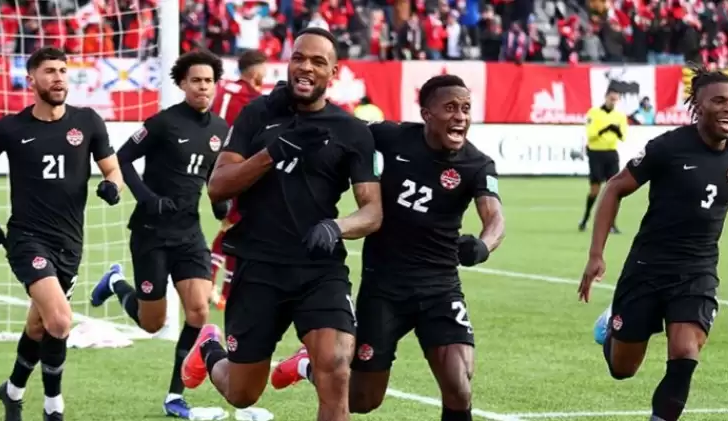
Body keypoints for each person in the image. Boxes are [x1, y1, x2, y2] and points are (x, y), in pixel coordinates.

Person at [271, 74, 506, 421]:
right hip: (384, 289)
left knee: (458, 385)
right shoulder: (390, 137)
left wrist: (483, 246)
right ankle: (306, 365)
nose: (460, 117)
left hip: (440, 288)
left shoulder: (477, 163)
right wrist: (295, 101)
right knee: (363, 400)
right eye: (451, 108)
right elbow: (341, 125)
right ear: (426, 114)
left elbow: (495, 218)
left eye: (466, 109)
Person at [181, 27, 383, 421]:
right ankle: (209, 347)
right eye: (299, 58)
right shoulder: (258, 114)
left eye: (318, 62)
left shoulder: (351, 130)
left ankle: (305, 362)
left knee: (336, 368)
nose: (306, 67)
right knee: (242, 394)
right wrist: (271, 153)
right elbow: (217, 187)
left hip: (319, 269)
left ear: (333, 72)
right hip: (258, 268)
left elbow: (372, 210)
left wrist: (336, 227)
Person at [578, 66, 728, 421]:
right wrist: (596, 255)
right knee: (623, 368)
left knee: (685, 353)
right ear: (697, 106)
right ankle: (612, 325)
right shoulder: (669, 147)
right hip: (647, 268)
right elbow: (615, 187)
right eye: (719, 101)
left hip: (697, 273)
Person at [89, 51, 229, 419]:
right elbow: (121, 158)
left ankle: (174, 397)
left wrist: (220, 205)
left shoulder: (220, 129)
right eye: (196, 80)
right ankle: (116, 282)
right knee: (152, 323)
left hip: (189, 235)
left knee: (198, 310)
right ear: (182, 84)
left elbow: (213, 174)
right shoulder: (164, 123)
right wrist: (148, 199)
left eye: (208, 81)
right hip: (151, 234)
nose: (203, 87)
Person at [0, 46, 123, 421]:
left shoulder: (88, 122)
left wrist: (112, 186)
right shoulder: (10, 128)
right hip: (27, 240)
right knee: (61, 321)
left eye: (63, 71)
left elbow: (113, 170)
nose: (58, 78)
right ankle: (54, 407)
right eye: (49, 71)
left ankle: (12, 392)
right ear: (31, 80)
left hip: (70, 243)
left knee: (39, 325)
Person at [208, 49, 267, 310]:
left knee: (236, 225)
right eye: (263, 70)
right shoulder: (251, 98)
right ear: (255, 71)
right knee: (235, 225)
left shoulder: (224, 89)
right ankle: (215, 284)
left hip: (221, 165)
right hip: (237, 168)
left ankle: (222, 288)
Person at [579, 86, 628, 233]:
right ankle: (585, 218)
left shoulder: (620, 116)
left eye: (615, 100)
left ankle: (612, 224)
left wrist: (617, 131)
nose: (613, 102)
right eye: (611, 99)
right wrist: (605, 129)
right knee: (595, 189)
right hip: (596, 153)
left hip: (611, 153)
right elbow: (590, 134)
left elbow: (623, 137)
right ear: (606, 97)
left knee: (614, 189)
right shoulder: (593, 113)